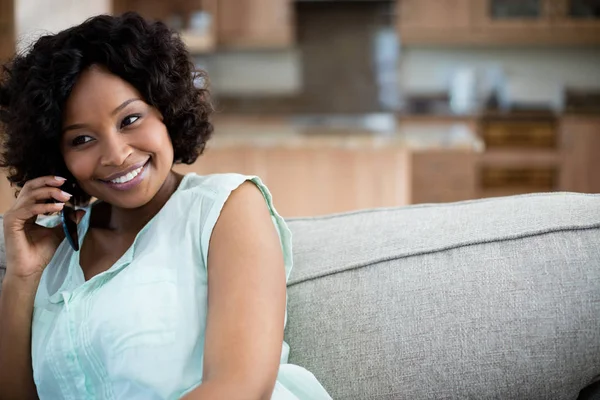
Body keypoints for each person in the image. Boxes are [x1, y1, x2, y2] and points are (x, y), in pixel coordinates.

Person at [0, 12, 331, 400]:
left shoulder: (227, 208)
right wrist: (22, 277)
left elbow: (240, 387)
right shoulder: (53, 253)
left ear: (164, 109)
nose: (117, 154)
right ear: (56, 156)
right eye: (82, 139)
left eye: (130, 119)